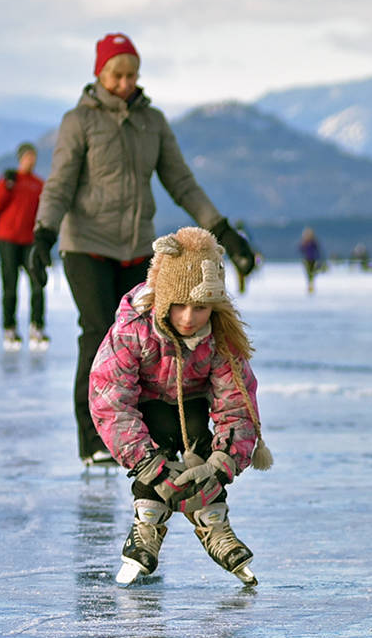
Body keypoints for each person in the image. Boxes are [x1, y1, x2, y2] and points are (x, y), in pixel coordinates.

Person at [30, 33, 256, 468]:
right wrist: (43, 234)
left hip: (137, 249)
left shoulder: (152, 122)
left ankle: (154, 433)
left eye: (132, 74)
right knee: (99, 335)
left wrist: (221, 227)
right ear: (100, 73)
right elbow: (58, 184)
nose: (125, 83)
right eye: (117, 74)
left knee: (151, 341)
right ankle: (94, 438)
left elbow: (181, 181)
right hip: (87, 247)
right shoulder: (79, 122)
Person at [89, 227, 270, 587]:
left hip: (193, 406)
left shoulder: (221, 337)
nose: (189, 318)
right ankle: (147, 522)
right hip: (146, 409)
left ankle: (214, 523)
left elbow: (236, 402)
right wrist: (149, 465)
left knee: (201, 445)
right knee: (160, 440)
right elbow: (111, 399)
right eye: (179, 306)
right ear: (163, 300)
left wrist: (223, 464)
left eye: (201, 307)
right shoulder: (133, 329)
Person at [0, 142, 47, 350]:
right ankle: (9, 327)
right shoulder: (9, 180)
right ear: (21, 158)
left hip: (30, 241)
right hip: (7, 239)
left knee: (37, 285)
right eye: (27, 157)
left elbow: (44, 212)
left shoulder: (38, 184)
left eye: (34, 157)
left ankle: (37, 326)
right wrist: (6, 186)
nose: (31, 161)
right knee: (10, 286)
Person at [298, 227, 323, 293]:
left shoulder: (313, 242)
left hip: (313, 259)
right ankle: (310, 286)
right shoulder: (305, 242)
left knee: (312, 273)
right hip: (306, 260)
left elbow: (317, 251)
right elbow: (301, 250)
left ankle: (311, 286)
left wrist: (318, 259)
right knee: (309, 273)